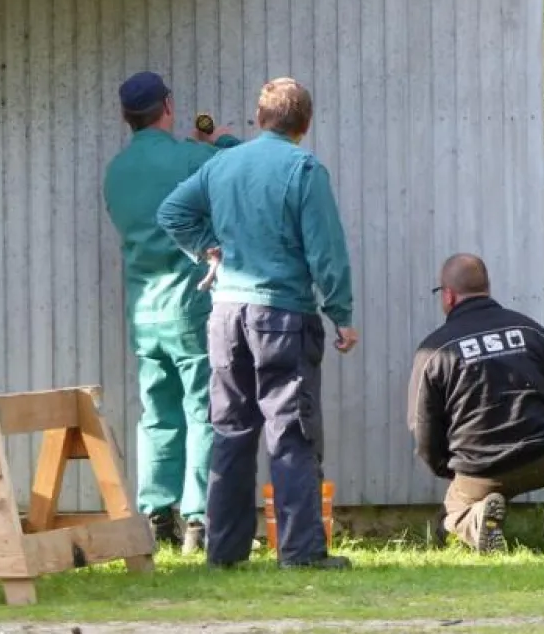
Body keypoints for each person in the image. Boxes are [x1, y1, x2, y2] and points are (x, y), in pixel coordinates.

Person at [157, 77, 358, 570]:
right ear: (304, 125)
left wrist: (209, 248)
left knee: (230, 430)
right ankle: (301, 551)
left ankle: (223, 552)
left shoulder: (222, 162)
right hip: (283, 314)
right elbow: (325, 250)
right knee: (290, 431)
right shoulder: (304, 168)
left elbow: (172, 212)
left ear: (260, 118)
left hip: (225, 315)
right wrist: (341, 313)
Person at [102, 71, 239, 554]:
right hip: (189, 302)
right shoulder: (187, 155)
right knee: (202, 408)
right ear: (168, 105)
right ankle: (198, 519)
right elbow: (234, 162)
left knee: (156, 414)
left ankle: (156, 514)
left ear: (125, 116)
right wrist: (219, 138)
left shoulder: (115, 171)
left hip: (144, 310)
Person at [407, 254, 544, 554]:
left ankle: (473, 518)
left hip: (479, 471)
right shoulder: (530, 331)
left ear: (448, 296)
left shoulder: (434, 350)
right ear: (486, 288)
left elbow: (423, 431)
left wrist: (451, 469)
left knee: (447, 519)